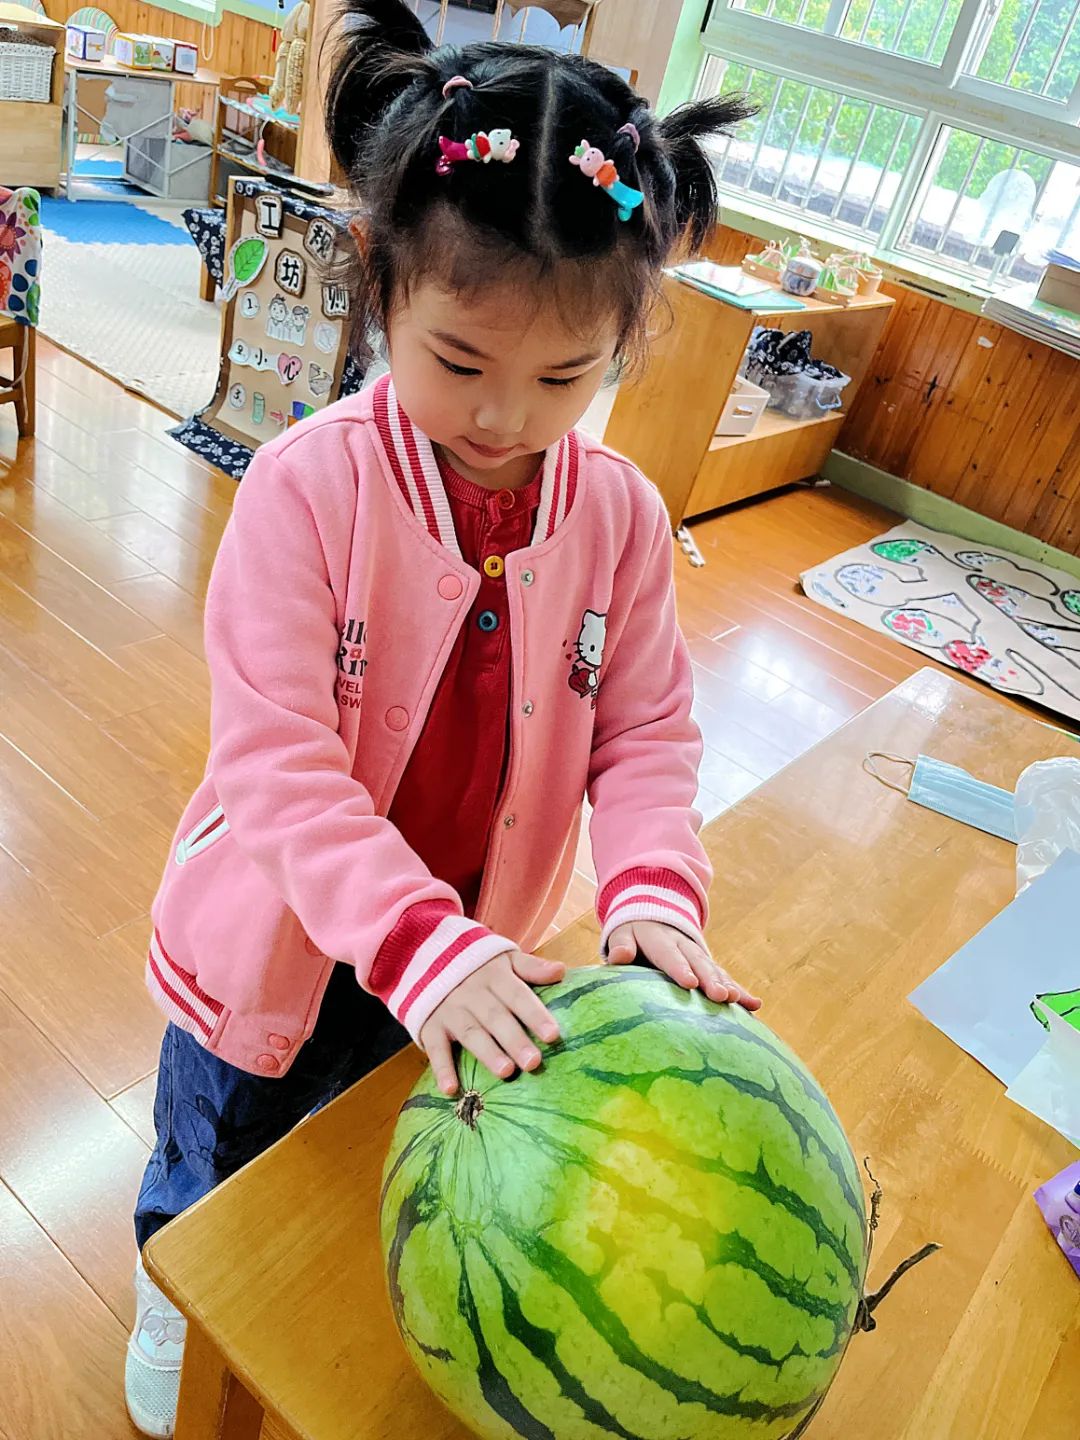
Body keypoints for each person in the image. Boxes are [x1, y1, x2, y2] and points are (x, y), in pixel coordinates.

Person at [123, 2, 759, 1433]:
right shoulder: (306, 489)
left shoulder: (623, 521)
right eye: (461, 363)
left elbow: (648, 732)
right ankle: (179, 1297)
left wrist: (657, 890)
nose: (505, 420)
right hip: (281, 932)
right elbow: (277, 765)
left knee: (368, 1156)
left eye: (565, 380)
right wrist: (410, 939)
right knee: (216, 1158)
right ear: (379, 283)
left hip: (470, 947)